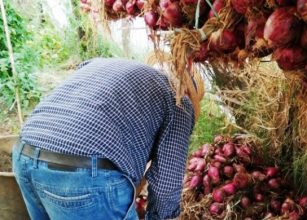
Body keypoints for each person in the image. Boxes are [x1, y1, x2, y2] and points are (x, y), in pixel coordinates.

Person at [12, 58, 204, 220]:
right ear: (188, 92)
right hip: (82, 177)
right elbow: (166, 189)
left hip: (24, 153)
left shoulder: (103, 65)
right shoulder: (179, 103)